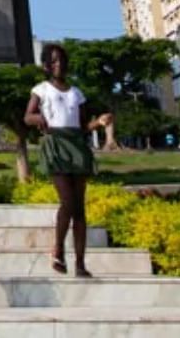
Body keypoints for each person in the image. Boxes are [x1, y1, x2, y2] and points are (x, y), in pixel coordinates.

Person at [23, 42, 113, 278]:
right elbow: (27, 116)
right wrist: (38, 118)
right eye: (53, 61)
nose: (58, 64)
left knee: (79, 208)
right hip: (56, 145)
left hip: (76, 145)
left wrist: (100, 122)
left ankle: (81, 263)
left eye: (61, 60)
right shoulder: (40, 89)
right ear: (45, 65)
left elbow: (84, 125)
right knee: (67, 201)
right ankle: (59, 248)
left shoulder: (76, 93)